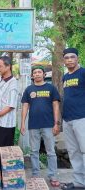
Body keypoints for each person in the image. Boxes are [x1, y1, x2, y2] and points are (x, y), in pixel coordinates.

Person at [20, 65, 60, 187]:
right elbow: (25, 107)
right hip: (33, 125)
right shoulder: (29, 89)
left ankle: (53, 175)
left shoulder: (51, 88)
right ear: (32, 75)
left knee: (51, 152)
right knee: (34, 151)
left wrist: (56, 123)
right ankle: (36, 174)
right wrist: (22, 123)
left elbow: (56, 106)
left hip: (48, 125)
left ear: (44, 74)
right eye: (35, 72)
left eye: (39, 72)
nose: (37, 74)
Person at [61, 48, 85, 190]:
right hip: (68, 119)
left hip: (82, 117)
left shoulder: (83, 73)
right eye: (67, 58)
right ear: (64, 60)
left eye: (72, 57)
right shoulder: (65, 77)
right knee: (73, 152)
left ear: (77, 58)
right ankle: (79, 183)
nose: (69, 59)